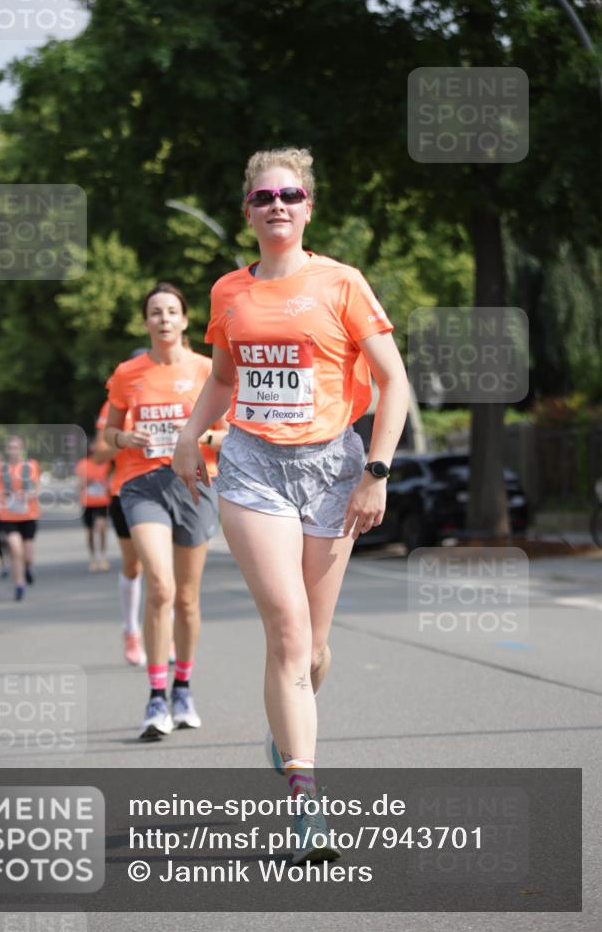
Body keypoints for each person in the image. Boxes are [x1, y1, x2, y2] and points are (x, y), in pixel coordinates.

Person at [172, 148, 410, 864]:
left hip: (334, 469)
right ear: (247, 210)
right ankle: (306, 804)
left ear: (308, 207)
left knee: (313, 648)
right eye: (264, 196)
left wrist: (376, 472)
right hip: (252, 467)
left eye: (290, 195)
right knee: (286, 630)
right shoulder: (228, 292)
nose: (277, 205)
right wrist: (188, 435)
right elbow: (223, 379)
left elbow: (393, 381)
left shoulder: (341, 282)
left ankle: (288, 727)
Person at [104, 283, 226, 739]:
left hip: (194, 484)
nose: (164, 319)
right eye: (155, 312)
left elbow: (233, 434)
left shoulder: (207, 369)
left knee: (187, 598)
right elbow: (107, 435)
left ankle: (182, 688)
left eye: (172, 311)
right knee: (160, 585)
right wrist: (125, 438)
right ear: (146, 322)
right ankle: (156, 697)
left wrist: (195, 436)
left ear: (185, 320)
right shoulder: (127, 373)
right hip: (142, 484)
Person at [94, 357, 147, 667]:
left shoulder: (175, 394)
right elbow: (100, 454)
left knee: (166, 570)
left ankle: (166, 633)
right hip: (125, 491)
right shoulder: (114, 405)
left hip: (168, 489)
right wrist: (127, 440)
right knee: (134, 565)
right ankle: (131, 630)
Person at [0, 435, 40, 601]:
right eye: (11, 447)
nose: (14, 451)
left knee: (27, 556)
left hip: (28, 515)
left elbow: (36, 488)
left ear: (22, 449)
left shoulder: (31, 466)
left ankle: (27, 568)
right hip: (8, 516)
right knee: (15, 550)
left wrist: (28, 495)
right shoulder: (0, 468)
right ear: (7, 450)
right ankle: (19, 584)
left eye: (16, 447)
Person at [75, 444, 111, 572]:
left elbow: (111, 480)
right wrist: (87, 481)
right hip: (87, 503)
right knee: (90, 532)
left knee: (102, 528)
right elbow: (78, 484)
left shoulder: (107, 464)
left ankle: (102, 556)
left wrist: (106, 484)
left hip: (102, 502)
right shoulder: (83, 464)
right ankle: (93, 557)